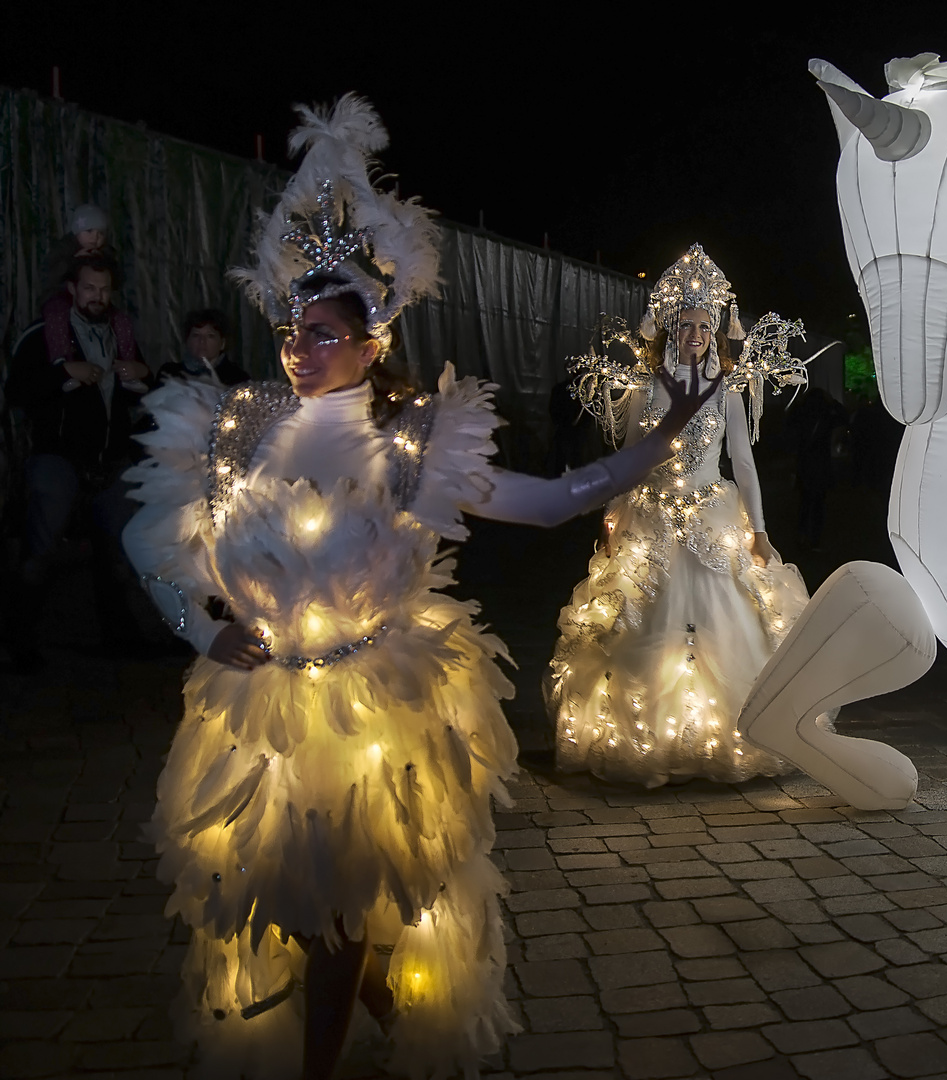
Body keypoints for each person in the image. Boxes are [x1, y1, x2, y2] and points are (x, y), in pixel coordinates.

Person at [120, 96, 717, 1080]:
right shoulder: (240, 428)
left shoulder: (410, 445)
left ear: (371, 340)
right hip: (261, 702)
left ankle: (330, 1054)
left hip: (371, 707)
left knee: (337, 911)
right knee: (285, 905)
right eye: (290, 331)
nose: (297, 350)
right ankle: (386, 1008)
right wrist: (198, 625)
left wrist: (661, 437)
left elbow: (550, 501)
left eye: (320, 333)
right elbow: (152, 539)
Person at [546, 245, 812, 787]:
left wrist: (759, 532)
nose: (697, 335)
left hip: (713, 515)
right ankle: (651, 734)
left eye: (706, 326)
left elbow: (744, 463)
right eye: (687, 325)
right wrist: (614, 516)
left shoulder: (727, 394)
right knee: (640, 626)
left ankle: (727, 733)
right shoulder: (645, 390)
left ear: (716, 331)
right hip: (652, 521)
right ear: (670, 329)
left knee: (727, 625)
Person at [4, 253, 156, 662]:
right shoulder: (43, 336)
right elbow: (17, 391)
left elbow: (143, 389)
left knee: (119, 550)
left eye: (104, 289)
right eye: (89, 287)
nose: (97, 296)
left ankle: (120, 637)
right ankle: (19, 642)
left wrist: (141, 375)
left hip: (110, 458)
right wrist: (64, 374)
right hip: (58, 455)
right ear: (72, 288)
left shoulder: (120, 333)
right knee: (42, 547)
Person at [39, 204, 143, 382]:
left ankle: (126, 367)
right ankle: (63, 362)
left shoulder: (106, 252)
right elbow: (50, 275)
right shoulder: (63, 250)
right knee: (57, 317)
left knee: (121, 320)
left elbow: (118, 279)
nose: (96, 238)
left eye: (101, 233)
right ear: (77, 231)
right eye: (89, 231)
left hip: (96, 305)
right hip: (60, 297)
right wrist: (74, 260)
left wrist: (104, 261)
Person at [788, 386, 847, 549]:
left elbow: (789, 420)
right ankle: (814, 539)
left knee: (805, 503)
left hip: (804, 463)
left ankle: (802, 535)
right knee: (818, 504)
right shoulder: (827, 415)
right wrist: (832, 401)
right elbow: (844, 417)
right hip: (821, 464)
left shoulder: (802, 414)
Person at [157, 308, 251, 386]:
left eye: (210, 336)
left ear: (222, 343)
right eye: (196, 335)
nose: (202, 341)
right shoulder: (169, 373)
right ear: (187, 340)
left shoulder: (237, 378)